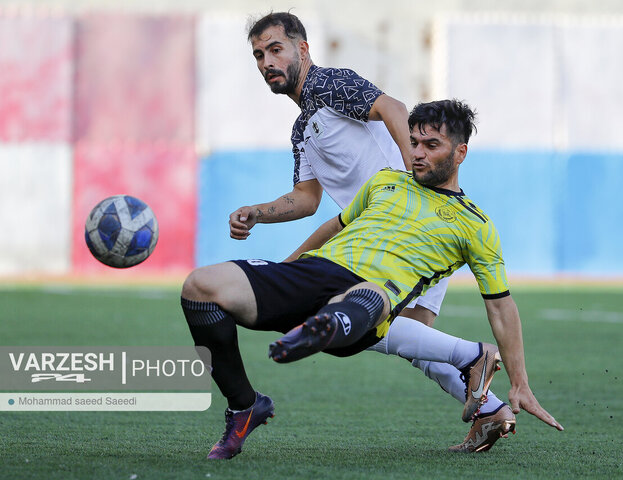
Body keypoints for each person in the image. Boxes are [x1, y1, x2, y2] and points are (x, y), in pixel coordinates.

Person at [182, 99, 563, 459]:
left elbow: (500, 305)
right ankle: (244, 405)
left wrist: (520, 382)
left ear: (460, 153)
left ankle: (329, 325)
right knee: (200, 286)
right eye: (414, 142)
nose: (417, 152)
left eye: (431, 145)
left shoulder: (475, 225)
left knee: (366, 296)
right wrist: (286, 268)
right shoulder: (385, 182)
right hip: (316, 271)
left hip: (374, 300)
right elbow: (335, 225)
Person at [231, 11, 510, 450]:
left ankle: (479, 368)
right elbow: (307, 199)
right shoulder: (303, 128)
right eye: (259, 55)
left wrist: (410, 183)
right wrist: (258, 213)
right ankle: (491, 407)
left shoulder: (329, 83)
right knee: (409, 344)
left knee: (368, 329)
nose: (267, 61)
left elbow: (393, 108)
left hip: (403, 233)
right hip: (377, 242)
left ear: (303, 49)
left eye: (276, 49)